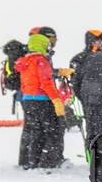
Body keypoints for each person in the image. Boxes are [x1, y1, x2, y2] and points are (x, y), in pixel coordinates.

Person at [15, 32, 66, 169]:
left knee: (36, 132)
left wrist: (59, 71)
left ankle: (33, 162)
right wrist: (56, 101)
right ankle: (48, 163)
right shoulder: (41, 61)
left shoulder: (24, 61)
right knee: (52, 131)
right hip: (42, 100)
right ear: (42, 45)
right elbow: (46, 83)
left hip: (28, 101)